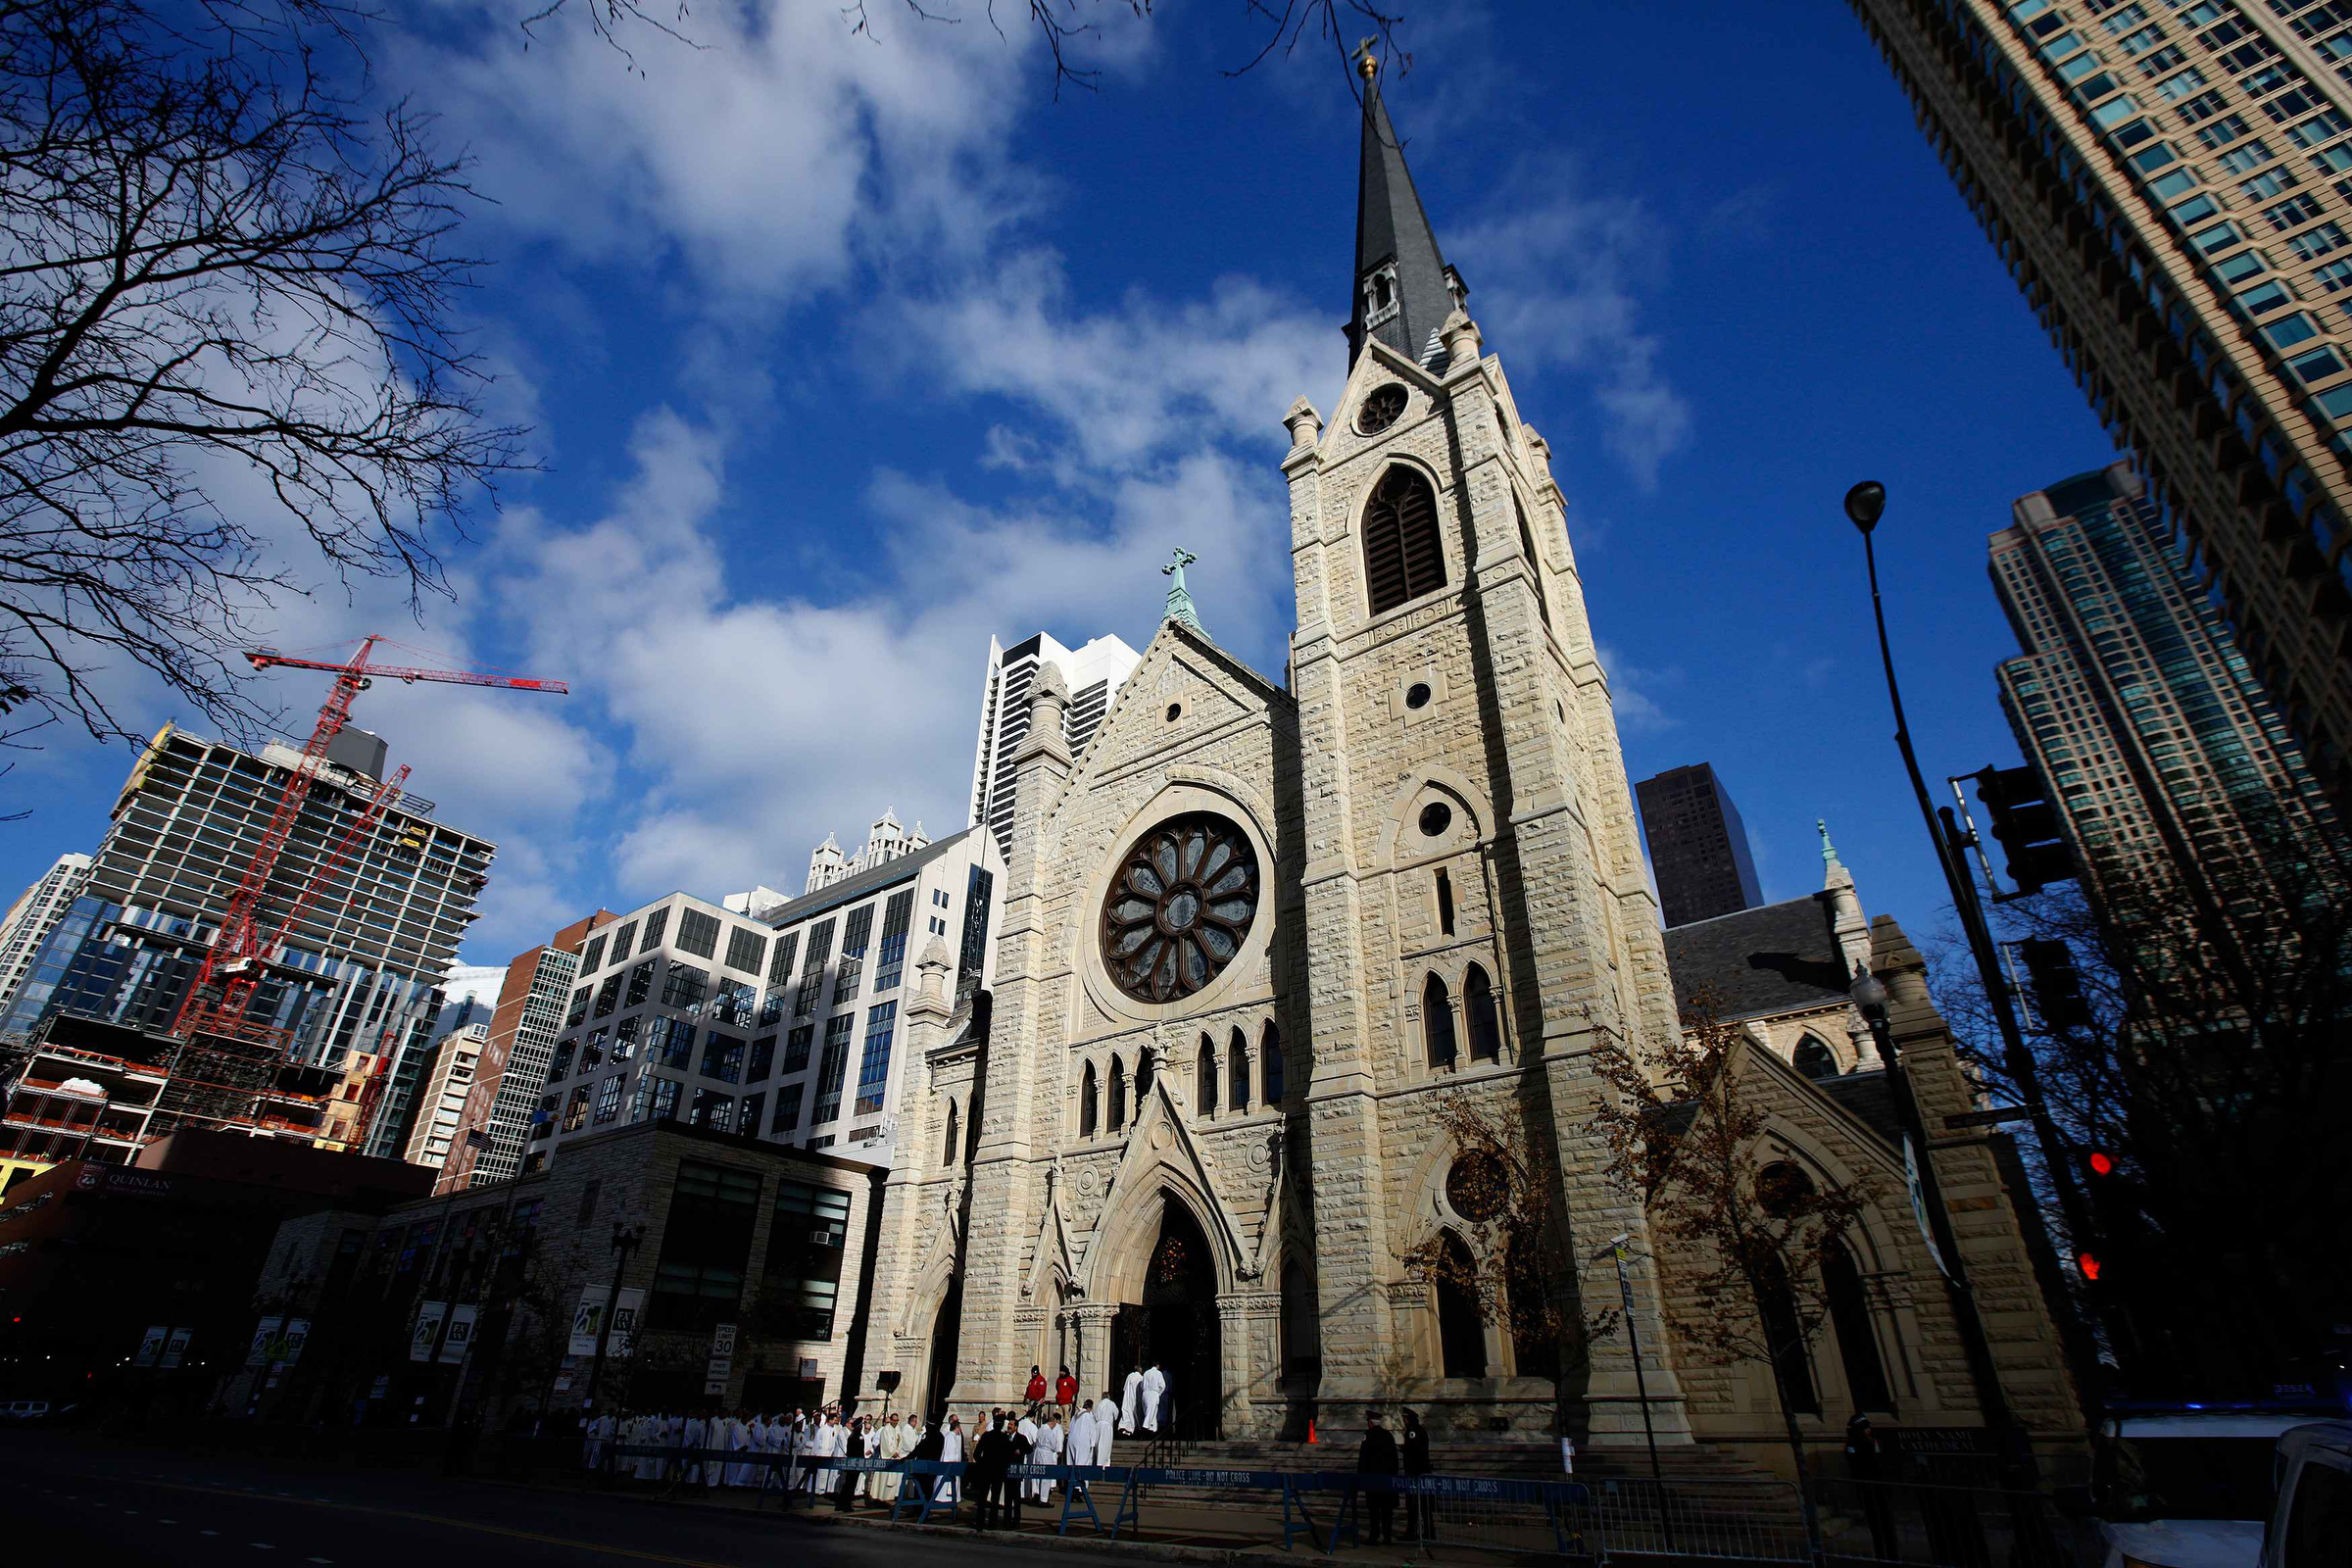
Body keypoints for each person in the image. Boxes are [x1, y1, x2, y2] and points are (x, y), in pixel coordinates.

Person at [1845, 1413, 1898, 1563]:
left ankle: (1891, 1555)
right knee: (1877, 1527)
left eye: (1868, 1427)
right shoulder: (1854, 1443)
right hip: (1868, 1490)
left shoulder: (1874, 1441)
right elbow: (1854, 1463)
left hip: (1880, 1489)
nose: (1868, 1430)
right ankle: (1884, 1556)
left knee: (1886, 1526)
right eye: (1864, 1428)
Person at [1358, 1409, 1400, 1546]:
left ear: (1370, 1423)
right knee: (1387, 1509)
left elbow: (1363, 1458)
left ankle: (1374, 1535)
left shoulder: (1368, 1435)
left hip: (1373, 1478)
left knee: (1374, 1510)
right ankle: (1387, 1536)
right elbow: (1395, 1458)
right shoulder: (1388, 1435)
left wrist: (1361, 1476)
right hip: (1387, 1478)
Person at [971, 1411, 1012, 1530]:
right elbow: (1009, 1455)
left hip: (986, 1469)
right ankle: (992, 1523)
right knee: (995, 1498)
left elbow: (977, 1453)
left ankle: (979, 1522)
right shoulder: (1004, 1438)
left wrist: (981, 1463)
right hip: (998, 1471)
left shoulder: (986, 1436)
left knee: (982, 1497)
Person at [1400, 1408, 1433, 1542]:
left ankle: (1412, 1532)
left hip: (1416, 1472)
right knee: (1424, 1506)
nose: (1404, 1421)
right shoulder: (1421, 1430)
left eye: (1405, 1419)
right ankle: (1429, 1532)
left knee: (1413, 1505)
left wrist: (1403, 1448)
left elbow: (1414, 1450)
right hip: (1422, 1472)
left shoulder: (1412, 1431)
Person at [1030, 1408, 1064, 1503]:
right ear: (1052, 1423)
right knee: (1046, 1475)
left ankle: (1036, 1493)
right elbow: (1054, 1444)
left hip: (1038, 1452)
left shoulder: (1041, 1428)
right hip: (1046, 1453)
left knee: (1037, 1473)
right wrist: (1058, 1450)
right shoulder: (1049, 1431)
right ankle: (1044, 1499)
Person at [937, 1413, 965, 1508]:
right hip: (949, 1465)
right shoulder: (949, 1436)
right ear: (956, 1427)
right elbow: (949, 1452)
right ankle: (944, 1498)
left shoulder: (954, 1436)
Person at [1093, 1391, 1120, 1466]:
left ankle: (1098, 1461)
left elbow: (1095, 1416)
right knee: (1106, 1445)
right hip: (1107, 1426)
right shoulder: (1112, 1404)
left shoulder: (1099, 1404)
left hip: (1098, 1425)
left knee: (1098, 1444)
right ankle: (1104, 1463)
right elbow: (1116, 1414)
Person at [1140, 1363, 1165, 1434]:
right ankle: (1145, 1427)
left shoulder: (1146, 1373)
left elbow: (1142, 1385)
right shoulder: (1158, 1373)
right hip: (1153, 1393)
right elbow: (1162, 1385)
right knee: (1151, 1412)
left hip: (1145, 1394)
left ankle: (1152, 1428)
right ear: (1157, 1366)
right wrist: (1159, 1393)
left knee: (1149, 1412)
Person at [1119, 1366, 1143, 1434]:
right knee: (1136, 1412)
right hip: (1136, 1398)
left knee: (1127, 1412)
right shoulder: (1141, 1378)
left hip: (1128, 1397)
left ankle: (1126, 1427)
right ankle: (1136, 1427)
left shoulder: (1129, 1376)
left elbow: (1125, 1388)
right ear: (1140, 1370)